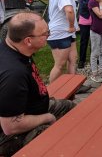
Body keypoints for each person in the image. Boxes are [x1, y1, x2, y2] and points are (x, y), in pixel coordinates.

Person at [0, 12, 75, 156]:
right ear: (28, 40)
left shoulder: (14, 48)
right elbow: (10, 126)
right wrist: (48, 117)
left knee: (71, 109)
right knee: (55, 141)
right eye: (46, 33)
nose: (49, 35)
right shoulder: (14, 74)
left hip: (31, 107)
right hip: (8, 132)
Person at [43, 0, 79, 83]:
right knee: (59, 65)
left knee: (73, 59)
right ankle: (49, 93)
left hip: (67, 33)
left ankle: (72, 86)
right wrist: (72, 26)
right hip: (59, 33)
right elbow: (69, 10)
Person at [77, 0, 96, 69]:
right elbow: (82, 6)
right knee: (84, 41)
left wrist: (88, 4)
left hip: (95, 21)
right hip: (84, 21)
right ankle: (82, 60)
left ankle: (94, 59)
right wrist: (92, 5)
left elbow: (100, 5)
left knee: (94, 41)